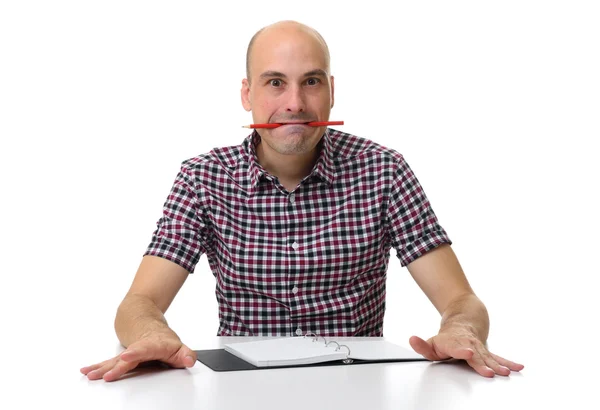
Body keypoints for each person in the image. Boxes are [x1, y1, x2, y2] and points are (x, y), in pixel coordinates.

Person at [81, 20, 524, 382]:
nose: (295, 103)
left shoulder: (384, 169)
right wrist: (151, 332)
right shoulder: (203, 177)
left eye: (310, 82)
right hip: (242, 389)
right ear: (247, 95)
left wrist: (459, 328)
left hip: (357, 388)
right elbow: (138, 303)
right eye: (275, 82)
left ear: (331, 90)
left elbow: (462, 300)